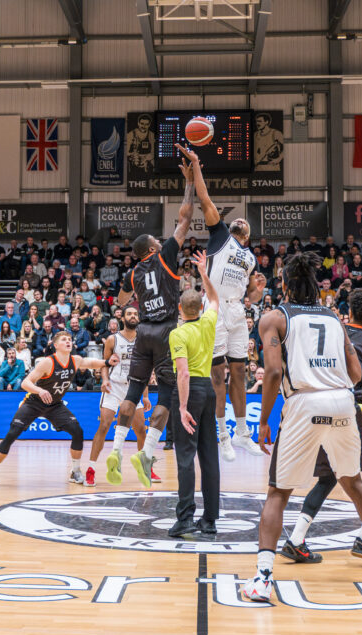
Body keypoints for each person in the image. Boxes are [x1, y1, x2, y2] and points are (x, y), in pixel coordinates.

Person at [243, 253, 362, 604]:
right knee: (354, 482)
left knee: (278, 493)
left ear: (284, 283)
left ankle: (262, 578)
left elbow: (271, 374)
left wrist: (263, 421)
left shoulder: (274, 318)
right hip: (342, 401)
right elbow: (356, 375)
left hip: (304, 401)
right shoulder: (334, 318)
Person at [280, 288, 362, 564]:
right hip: (350, 410)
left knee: (328, 477)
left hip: (316, 405)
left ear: (349, 309)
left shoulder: (334, 329)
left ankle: (296, 539)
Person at [105, 154, 193, 487]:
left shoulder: (134, 272)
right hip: (168, 330)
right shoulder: (166, 255)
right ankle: (145, 454)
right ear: (153, 247)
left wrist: (130, 304)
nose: (161, 240)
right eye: (157, 240)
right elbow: (184, 219)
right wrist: (188, 183)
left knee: (131, 393)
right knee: (166, 397)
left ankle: (116, 450)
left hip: (142, 332)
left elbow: (122, 301)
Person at [177, 144, 267, 461]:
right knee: (219, 376)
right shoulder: (221, 237)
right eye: (237, 218)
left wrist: (256, 291)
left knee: (240, 373)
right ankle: (222, 434)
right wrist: (197, 165)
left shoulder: (251, 258)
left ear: (249, 233)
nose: (240, 220)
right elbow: (204, 199)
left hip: (237, 310)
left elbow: (252, 297)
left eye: (245, 220)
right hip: (213, 308)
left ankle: (243, 434)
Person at [0, 331, 119, 487]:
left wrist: (107, 362)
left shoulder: (76, 360)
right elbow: (26, 383)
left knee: (77, 431)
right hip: (34, 403)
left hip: (55, 405)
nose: (68, 341)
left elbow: (91, 363)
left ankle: (75, 471)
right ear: (55, 345)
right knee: (12, 434)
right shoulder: (47, 362)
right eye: (64, 340)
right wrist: (40, 390)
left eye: (70, 339)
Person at [167, 250, 221, 536]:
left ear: (179, 308)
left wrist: (183, 407)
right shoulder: (209, 321)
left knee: (186, 457)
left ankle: (185, 518)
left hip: (191, 391)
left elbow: (183, 374)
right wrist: (203, 273)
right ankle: (210, 519)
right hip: (209, 390)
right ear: (199, 307)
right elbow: (215, 299)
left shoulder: (178, 334)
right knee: (209, 456)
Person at [85, 306, 155, 487]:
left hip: (135, 389)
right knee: (105, 425)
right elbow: (104, 363)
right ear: (123, 318)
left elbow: (145, 370)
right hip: (114, 388)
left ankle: (146, 467)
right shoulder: (112, 339)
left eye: (135, 314)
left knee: (140, 429)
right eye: (129, 314)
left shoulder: (143, 339)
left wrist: (145, 395)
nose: (133, 316)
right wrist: (105, 379)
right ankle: (91, 469)